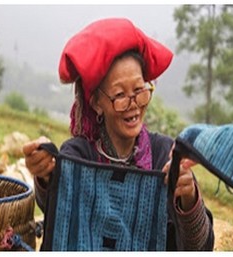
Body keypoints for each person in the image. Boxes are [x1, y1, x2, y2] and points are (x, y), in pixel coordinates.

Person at [21, 18, 214, 250]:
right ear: (97, 103)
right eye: (120, 95)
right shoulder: (79, 154)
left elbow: (201, 246)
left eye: (140, 90)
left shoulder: (164, 154)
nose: (134, 104)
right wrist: (45, 173)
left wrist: (188, 197)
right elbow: (57, 210)